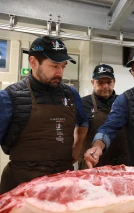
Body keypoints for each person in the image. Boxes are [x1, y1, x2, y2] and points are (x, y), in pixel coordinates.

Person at [0, 36, 88, 194]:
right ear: (33, 62)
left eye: (63, 66)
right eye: (54, 66)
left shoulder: (71, 94)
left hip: (62, 182)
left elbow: (83, 122)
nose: (60, 73)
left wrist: (78, 146)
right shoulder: (10, 96)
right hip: (22, 183)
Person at [78, 64, 128, 169]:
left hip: (121, 165)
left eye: (109, 82)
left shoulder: (124, 102)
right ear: (92, 82)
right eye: (100, 82)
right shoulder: (82, 104)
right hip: (92, 164)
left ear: (114, 82)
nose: (105, 86)